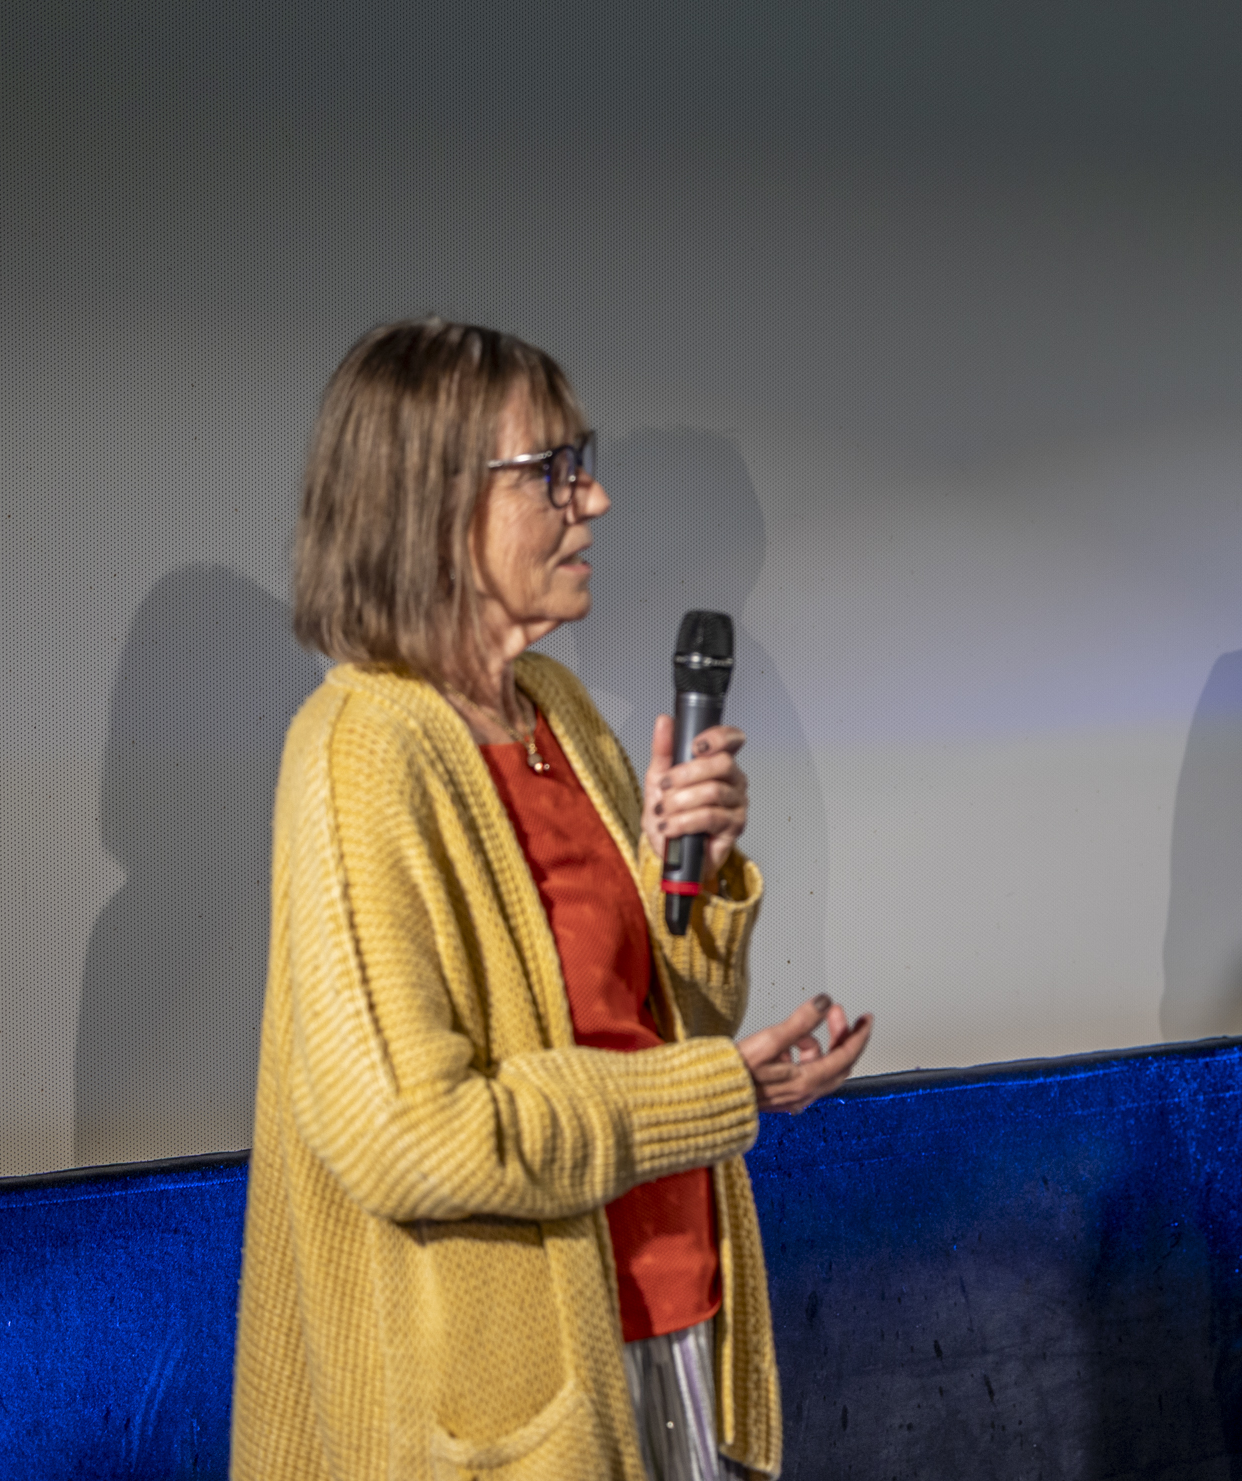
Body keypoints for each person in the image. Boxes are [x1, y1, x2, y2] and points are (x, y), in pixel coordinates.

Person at [231, 318, 872, 1481]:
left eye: (586, 462)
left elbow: (666, 1030)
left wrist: (691, 877)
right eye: (554, 470)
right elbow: (413, 1136)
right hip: (512, 1415)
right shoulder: (358, 752)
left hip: (671, 1310)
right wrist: (720, 1090)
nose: (596, 500)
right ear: (432, 501)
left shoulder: (557, 713)